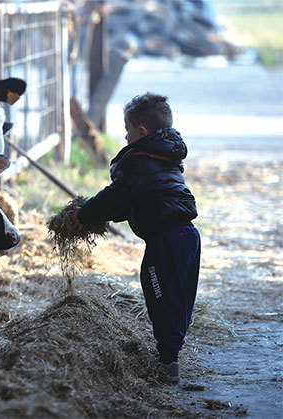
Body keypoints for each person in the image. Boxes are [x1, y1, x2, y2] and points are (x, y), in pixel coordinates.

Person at [71, 92, 201, 383]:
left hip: (165, 240)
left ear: (141, 131)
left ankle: (168, 363)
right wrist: (97, 214)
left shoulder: (139, 161)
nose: (125, 136)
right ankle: (171, 354)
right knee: (179, 299)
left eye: (127, 129)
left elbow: (116, 195)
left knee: (159, 296)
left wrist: (85, 214)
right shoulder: (163, 156)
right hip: (188, 236)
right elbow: (132, 202)